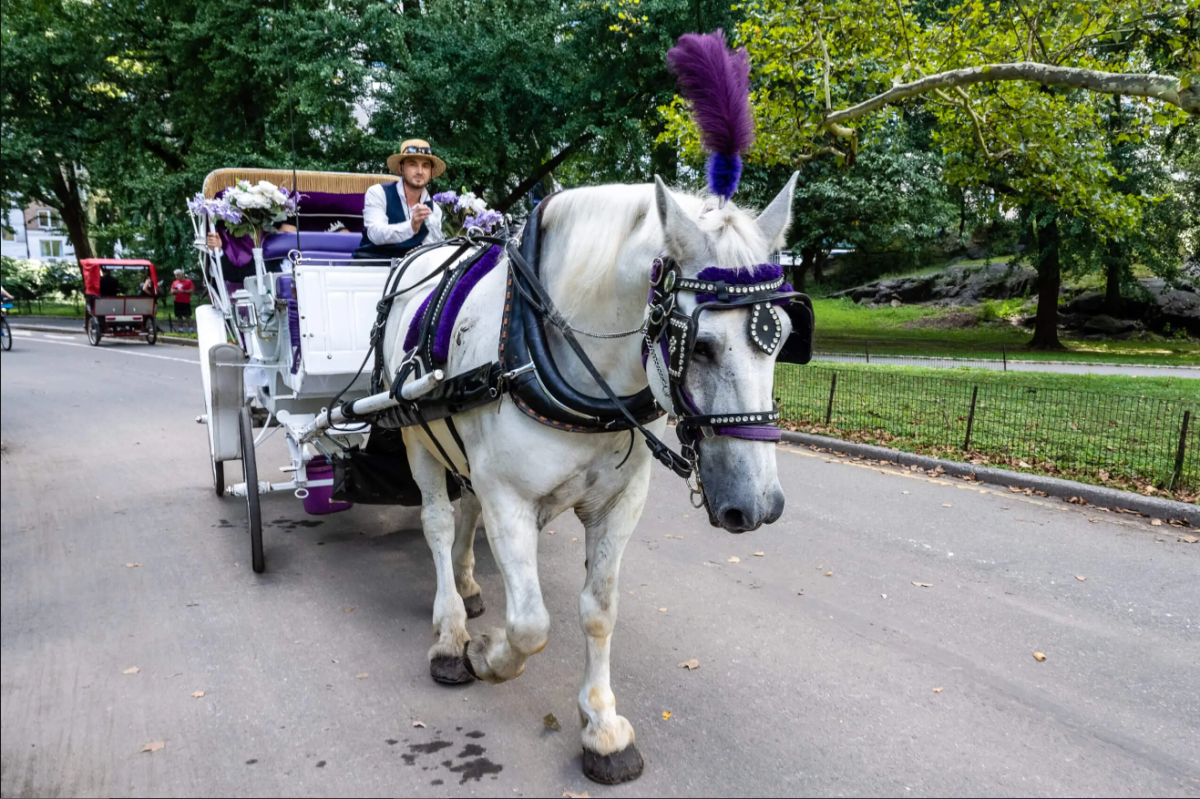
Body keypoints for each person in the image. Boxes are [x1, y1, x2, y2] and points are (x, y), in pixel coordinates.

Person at [354, 138, 446, 258]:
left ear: (430, 172)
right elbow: (375, 234)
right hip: (372, 266)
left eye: (425, 166)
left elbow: (428, 251)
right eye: (413, 164)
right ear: (401, 168)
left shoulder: (435, 210)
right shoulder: (378, 192)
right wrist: (411, 226)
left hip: (409, 272)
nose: (420, 171)